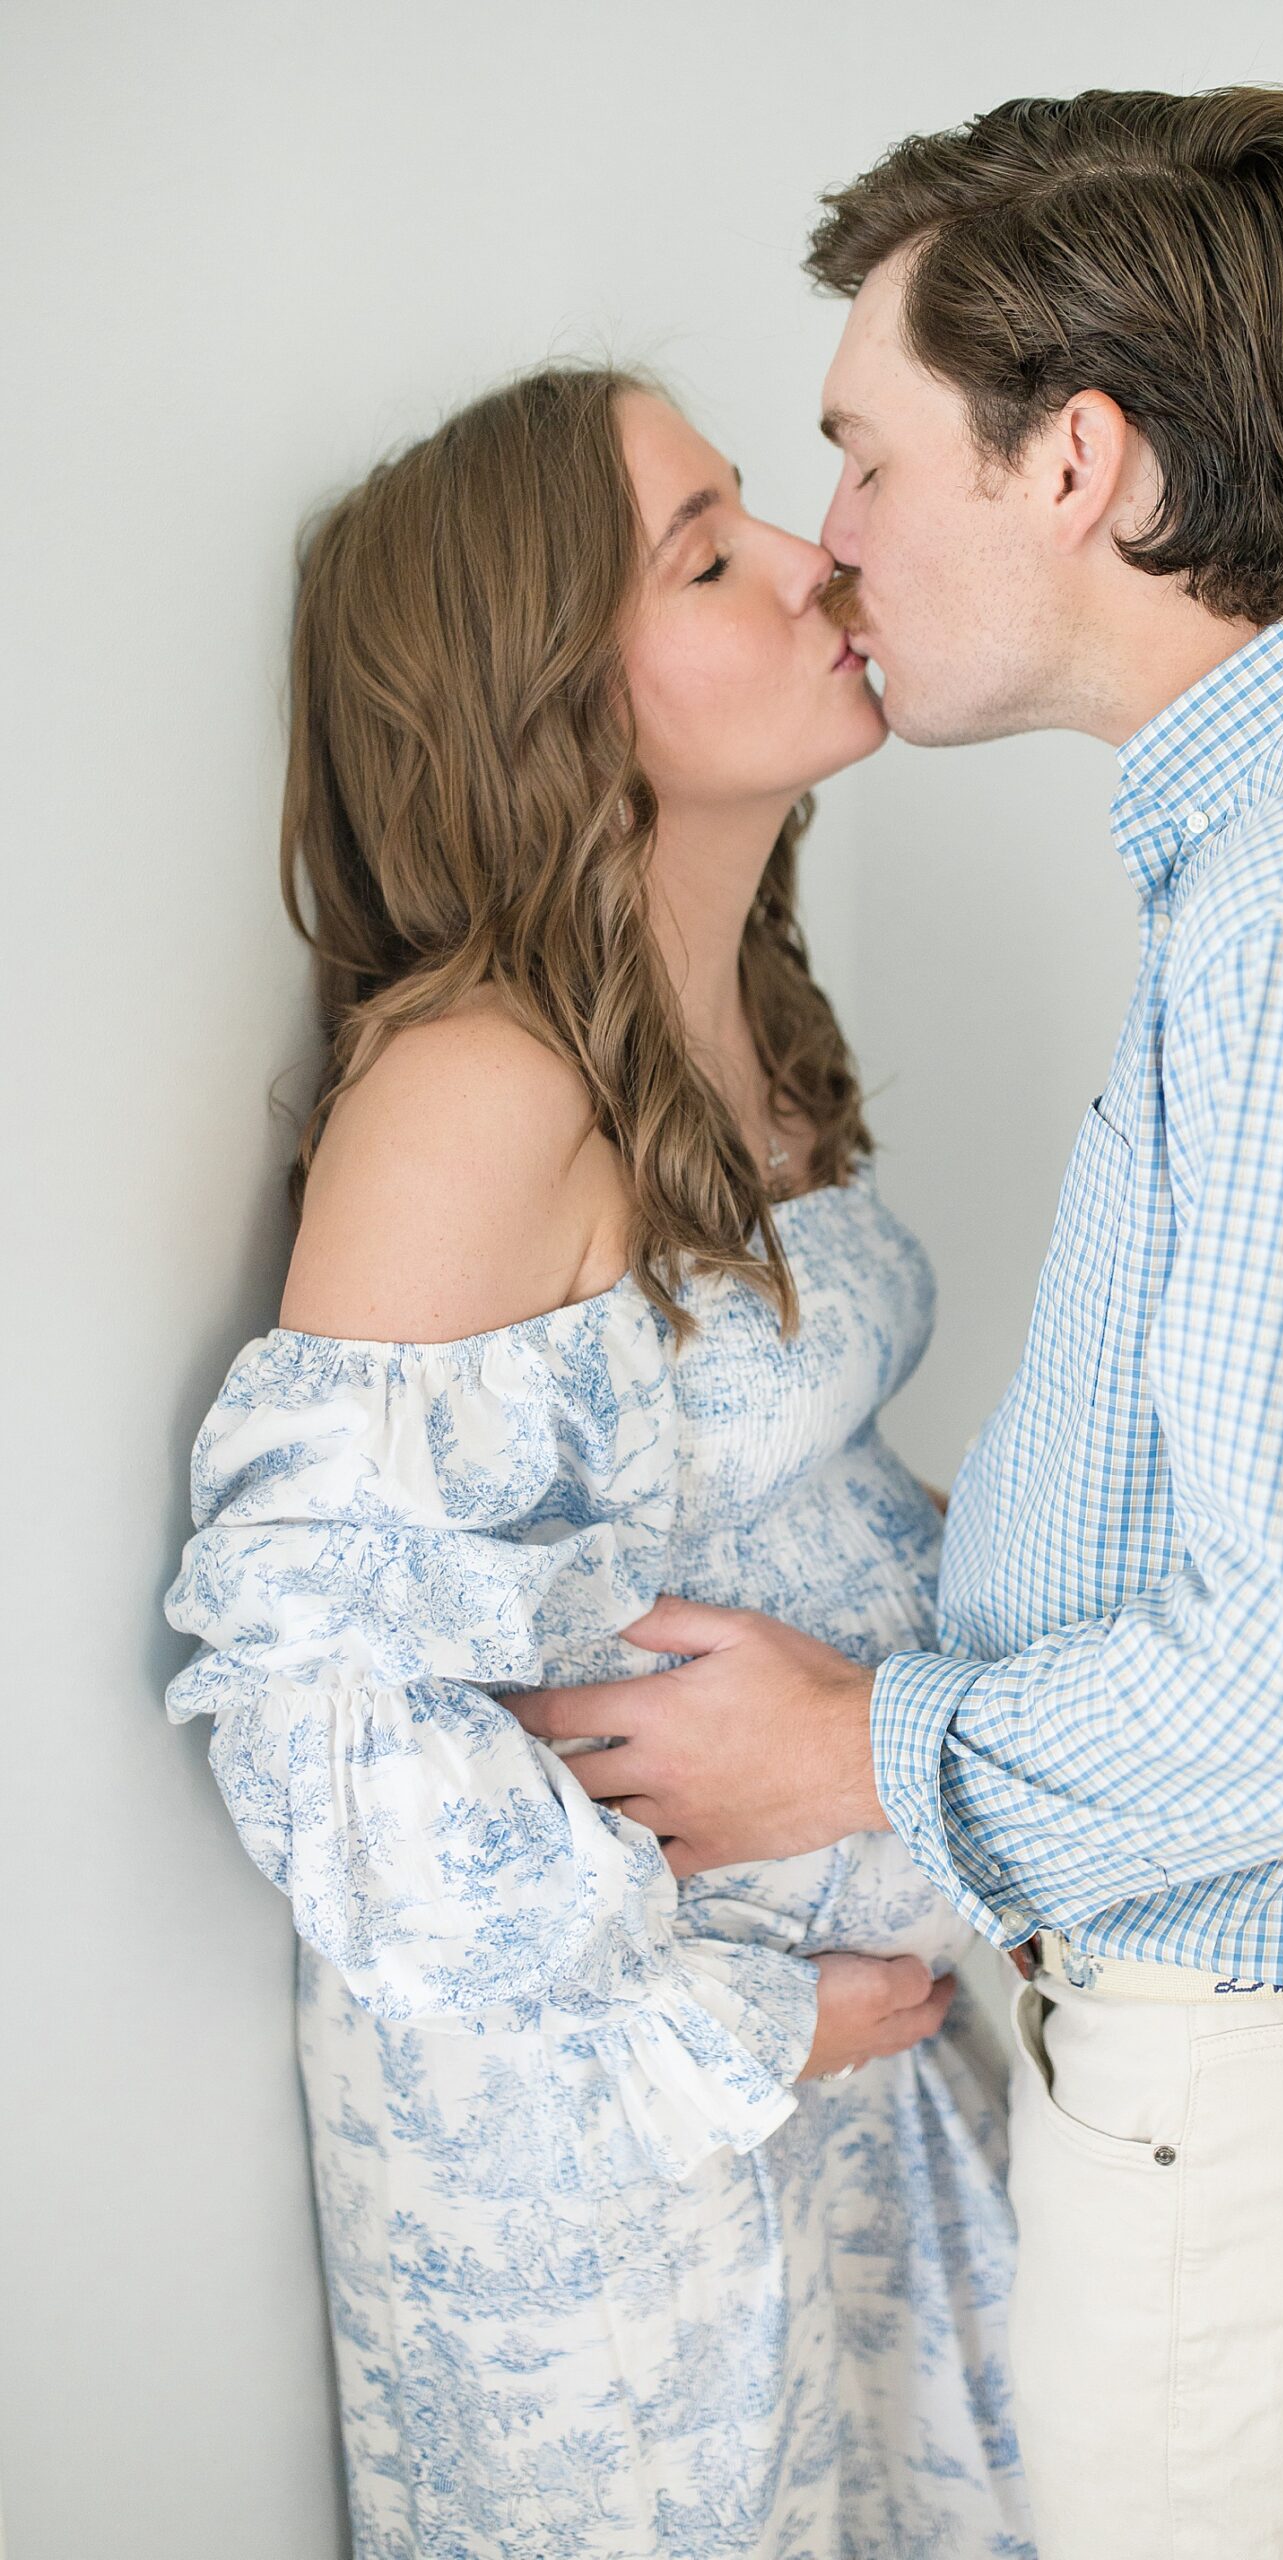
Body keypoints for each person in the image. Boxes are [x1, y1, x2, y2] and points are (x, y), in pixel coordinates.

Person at [512, 88, 1283, 2558]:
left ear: (1078, 458)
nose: (834, 547)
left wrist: (849, 1752)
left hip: (1268, 2124)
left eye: (857, 454)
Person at [164, 367, 1034, 2559]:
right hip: (608, 2132)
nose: (815, 560)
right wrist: (742, 2016)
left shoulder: (744, 1015)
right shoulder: (479, 1087)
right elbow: (318, 1709)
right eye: (709, 547)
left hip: (834, 2049)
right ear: (544, 691)